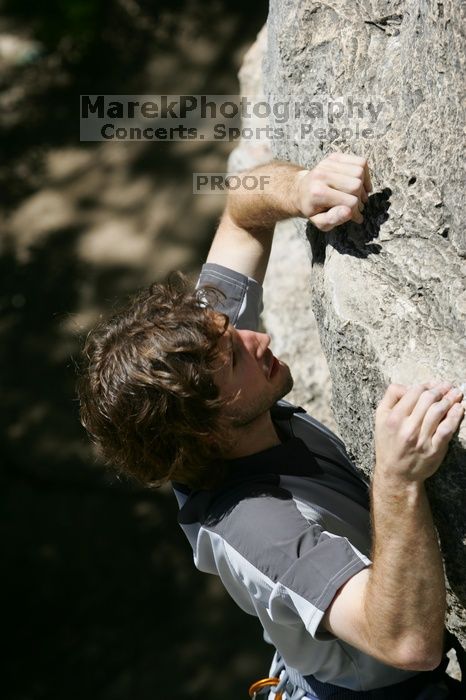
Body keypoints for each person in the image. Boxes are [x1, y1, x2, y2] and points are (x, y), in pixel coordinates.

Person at [78, 152, 465, 699]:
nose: (254, 337)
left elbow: (242, 205)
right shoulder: (257, 528)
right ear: (209, 431)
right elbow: (405, 643)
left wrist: (303, 187)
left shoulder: (202, 356)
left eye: (230, 332)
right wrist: (397, 482)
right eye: (236, 358)